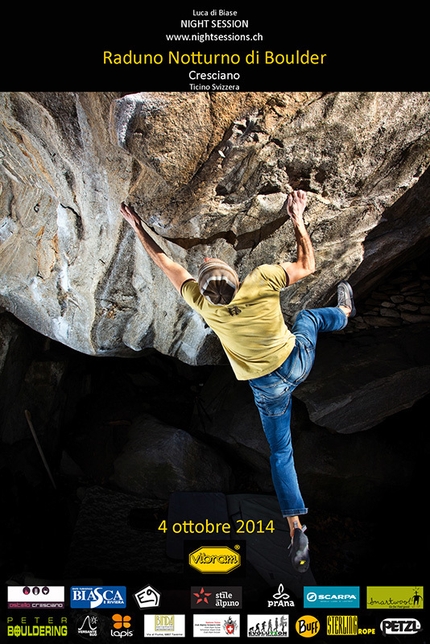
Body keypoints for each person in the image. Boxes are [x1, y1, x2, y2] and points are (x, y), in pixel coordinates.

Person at [120, 190, 355, 572]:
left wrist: (137, 228)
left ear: (208, 294)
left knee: (281, 453)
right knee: (309, 319)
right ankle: (344, 313)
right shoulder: (262, 281)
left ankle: (296, 526)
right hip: (294, 362)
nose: (208, 259)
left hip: (266, 387)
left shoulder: (206, 308)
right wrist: (297, 216)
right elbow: (307, 265)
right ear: (236, 278)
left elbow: (167, 266)